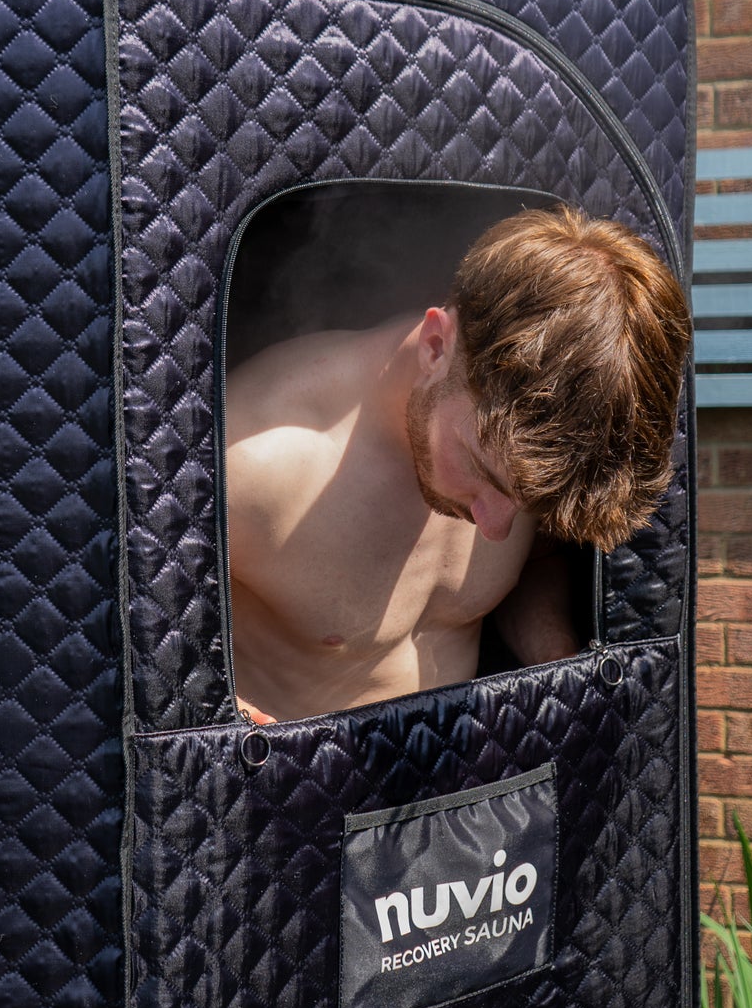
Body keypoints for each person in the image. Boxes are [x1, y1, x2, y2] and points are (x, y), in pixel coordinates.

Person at [225, 204, 691, 724]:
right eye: (484, 475)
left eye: (528, 504)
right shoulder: (248, 465)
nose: (496, 529)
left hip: (469, 792)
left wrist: (558, 666)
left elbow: (536, 563)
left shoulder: (527, 452)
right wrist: (228, 722)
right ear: (434, 346)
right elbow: (141, 659)